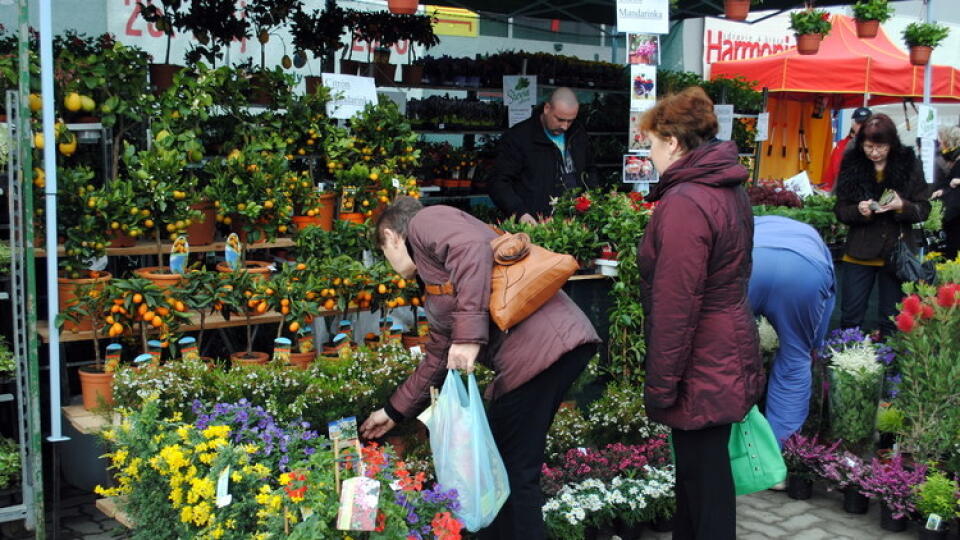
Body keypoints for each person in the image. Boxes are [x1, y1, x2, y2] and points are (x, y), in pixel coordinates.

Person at [359, 197, 600, 539]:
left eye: (384, 250)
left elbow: (472, 249)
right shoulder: (435, 278)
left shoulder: (425, 221)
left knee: (509, 473)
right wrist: (393, 411)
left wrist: (469, 336)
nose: (389, 262)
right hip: (546, 353)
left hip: (542, 352)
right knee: (502, 470)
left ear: (392, 236)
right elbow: (438, 355)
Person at [636, 87, 763, 540]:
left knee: (705, 486)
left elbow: (676, 304)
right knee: (699, 481)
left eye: (650, 144)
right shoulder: (725, 189)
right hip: (723, 347)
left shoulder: (687, 202)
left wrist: (661, 385)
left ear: (672, 141)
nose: (648, 156)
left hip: (702, 360)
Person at [834, 113, 931, 337]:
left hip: (896, 253)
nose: (875, 153)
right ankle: (851, 359)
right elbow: (840, 209)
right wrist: (859, 210)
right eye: (869, 147)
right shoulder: (852, 163)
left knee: (892, 318)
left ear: (892, 144)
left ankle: (890, 367)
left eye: (881, 147)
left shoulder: (909, 164)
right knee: (851, 316)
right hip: (859, 251)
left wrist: (901, 206)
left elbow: (923, 209)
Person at [749, 216, 836, 446]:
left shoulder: (747, 221)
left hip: (752, 263)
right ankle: (777, 460)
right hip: (805, 271)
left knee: (729, 357)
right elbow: (826, 304)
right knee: (795, 361)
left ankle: (730, 453)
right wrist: (812, 346)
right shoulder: (815, 240)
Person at [488, 87, 597, 224]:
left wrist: (591, 199)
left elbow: (590, 169)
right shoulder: (518, 137)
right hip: (534, 224)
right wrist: (520, 213)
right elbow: (498, 182)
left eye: (570, 121)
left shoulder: (578, 133)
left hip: (574, 223)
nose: (565, 126)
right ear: (547, 108)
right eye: (560, 119)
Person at [820, 107, 872, 192]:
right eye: (859, 123)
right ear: (853, 124)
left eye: (866, 123)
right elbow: (834, 173)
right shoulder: (844, 145)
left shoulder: (880, 144)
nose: (862, 126)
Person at [931, 126, 960, 260]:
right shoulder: (953, 160)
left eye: (941, 141)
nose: (940, 144)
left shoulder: (957, 162)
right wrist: (944, 190)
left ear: (950, 141)